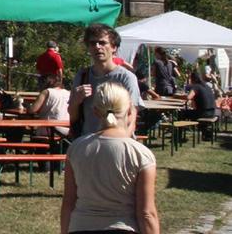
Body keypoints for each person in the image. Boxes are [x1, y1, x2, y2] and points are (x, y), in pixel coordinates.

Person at [60, 82, 159, 234]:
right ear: (130, 112)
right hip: (123, 227)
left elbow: (68, 203)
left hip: (81, 227)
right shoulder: (141, 154)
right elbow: (146, 213)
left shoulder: (76, 148)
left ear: (95, 112)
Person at [70, 23, 141, 138]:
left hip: (118, 142)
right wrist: (75, 101)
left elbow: (132, 117)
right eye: (93, 43)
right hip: (89, 142)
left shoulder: (126, 77)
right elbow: (73, 117)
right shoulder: (82, 76)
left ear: (114, 47)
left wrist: (122, 142)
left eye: (102, 43)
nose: (97, 47)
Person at [30, 71, 72, 138]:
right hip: (67, 130)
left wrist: (27, 106)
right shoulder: (68, 93)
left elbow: (32, 110)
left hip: (49, 130)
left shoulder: (46, 92)